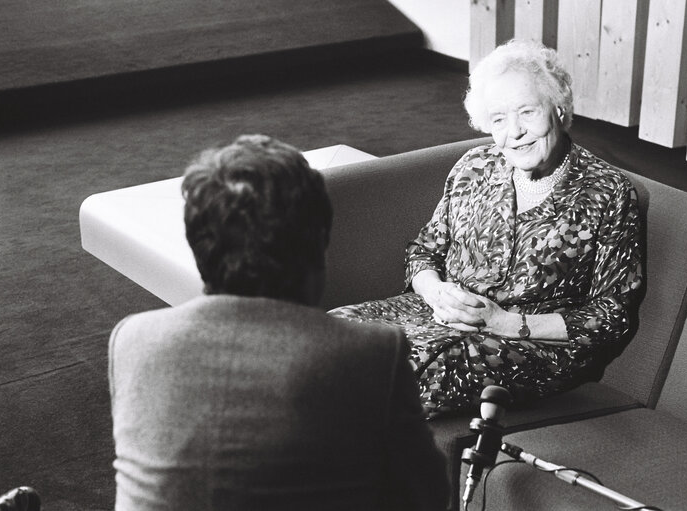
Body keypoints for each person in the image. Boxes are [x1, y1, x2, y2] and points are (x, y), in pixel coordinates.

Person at [108, 135, 449, 511]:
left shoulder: (133, 338)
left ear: (196, 244)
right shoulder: (370, 354)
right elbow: (427, 497)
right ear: (318, 245)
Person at [329, 39, 643, 417]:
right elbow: (424, 249)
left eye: (527, 112)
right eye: (498, 119)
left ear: (559, 110)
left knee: (403, 377)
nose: (515, 132)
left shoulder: (607, 191)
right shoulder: (475, 165)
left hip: (530, 344)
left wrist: (505, 321)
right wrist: (436, 291)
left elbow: (612, 314)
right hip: (437, 314)